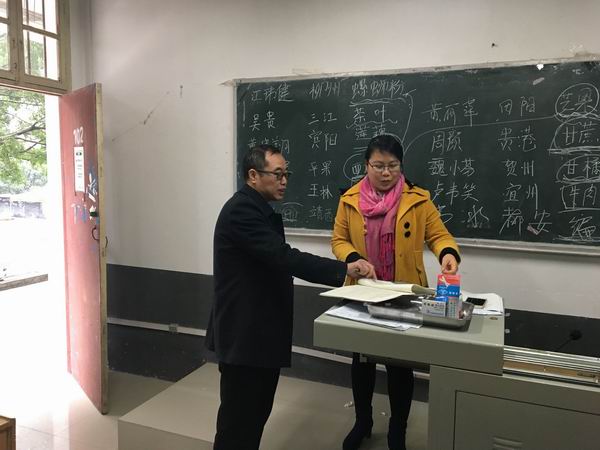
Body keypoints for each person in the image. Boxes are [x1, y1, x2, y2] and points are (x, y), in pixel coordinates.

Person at [206, 144, 376, 450]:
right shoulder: (242, 211)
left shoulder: (257, 209)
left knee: (253, 419)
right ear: (253, 175)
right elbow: (284, 257)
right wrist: (344, 269)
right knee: (238, 425)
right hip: (244, 337)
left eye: (286, 174)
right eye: (277, 174)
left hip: (257, 335)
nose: (284, 181)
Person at [331, 134, 460, 450]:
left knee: (400, 367)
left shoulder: (418, 199)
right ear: (366, 165)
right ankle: (363, 422)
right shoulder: (349, 199)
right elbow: (338, 240)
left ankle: (397, 431)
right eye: (379, 166)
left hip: (404, 293)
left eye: (393, 165)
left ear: (401, 165)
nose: (386, 172)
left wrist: (447, 254)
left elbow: (439, 235)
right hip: (362, 292)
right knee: (362, 362)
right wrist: (353, 257)